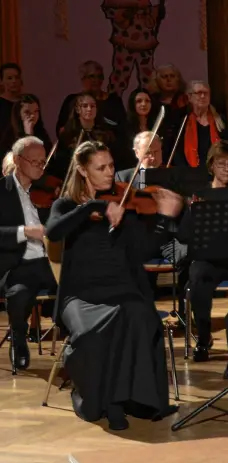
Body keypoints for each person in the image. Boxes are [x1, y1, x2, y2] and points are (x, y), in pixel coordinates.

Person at [45, 141, 183, 430]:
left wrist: (164, 218)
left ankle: (123, 400)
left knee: (140, 317)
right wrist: (95, 206)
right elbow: (53, 232)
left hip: (121, 287)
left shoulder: (124, 204)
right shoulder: (66, 205)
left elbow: (143, 250)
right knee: (92, 333)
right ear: (83, 170)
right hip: (80, 295)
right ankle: (96, 399)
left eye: (111, 165)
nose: (110, 172)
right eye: (101, 168)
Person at [0, 136, 58, 370]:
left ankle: (77, 338)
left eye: (43, 162)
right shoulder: (2, 191)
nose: (40, 167)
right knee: (19, 293)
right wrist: (25, 231)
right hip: (17, 265)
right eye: (34, 162)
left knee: (76, 284)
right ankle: (18, 336)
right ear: (17, 160)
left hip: (48, 262)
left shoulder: (47, 193)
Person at [183, 141, 228, 362]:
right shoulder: (200, 195)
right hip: (208, 259)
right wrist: (192, 211)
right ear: (211, 166)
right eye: (221, 163)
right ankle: (204, 338)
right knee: (198, 279)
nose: (226, 169)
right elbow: (184, 234)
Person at [178, 81, 228, 168]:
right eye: (199, 93)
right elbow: (177, 153)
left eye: (206, 93)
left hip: (216, 170)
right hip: (189, 171)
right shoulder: (182, 120)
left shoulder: (220, 120)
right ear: (189, 97)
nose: (203, 96)